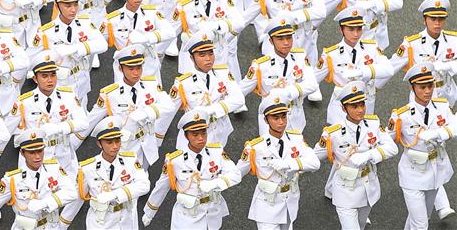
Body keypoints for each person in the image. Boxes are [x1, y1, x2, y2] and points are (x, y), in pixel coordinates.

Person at [315, 83, 398, 230]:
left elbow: (392, 148)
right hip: (345, 191)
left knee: (360, 224)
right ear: (344, 108)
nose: (360, 110)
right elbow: (315, 157)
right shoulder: (333, 133)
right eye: (354, 106)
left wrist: (367, 155)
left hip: (368, 188)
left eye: (362, 105)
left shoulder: (373, 124)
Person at [142, 109, 242, 229]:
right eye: (195, 135)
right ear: (186, 136)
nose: (201, 138)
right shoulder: (175, 161)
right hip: (187, 218)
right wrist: (149, 212)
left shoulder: (217, 152)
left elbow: (236, 174)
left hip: (212, 215)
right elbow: (162, 187)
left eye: (204, 133)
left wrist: (215, 183)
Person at [235, 99, 321, 230]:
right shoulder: (256, 147)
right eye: (275, 118)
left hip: (290, 201)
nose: (281, 122)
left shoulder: (296, 139)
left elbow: (315, 163)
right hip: (267, 204)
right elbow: (237, 173)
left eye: (283, 116)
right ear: (266, 120)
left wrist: (288, 163)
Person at [389, 64, 456, 230]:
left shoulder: (442, 106)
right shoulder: (401, 116)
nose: (428, 91)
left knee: (421, 218)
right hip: (412, 174)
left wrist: (438, 133)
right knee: (420, 224)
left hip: (436, 171)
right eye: (422, 87)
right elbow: (385, 140)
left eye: (430, 86)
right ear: (412, 88)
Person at [86, 47, 174, 171]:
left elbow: (169, 106)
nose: (136, 73)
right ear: (120, 68)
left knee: (143, 176)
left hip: (146, 144)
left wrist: (145, 112)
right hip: (124, 146)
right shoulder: (110, 94)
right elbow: (90, 120)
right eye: (131, 69)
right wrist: (72, 143)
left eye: (139, 68)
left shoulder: (151, 85)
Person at [11, 53, 88, 174]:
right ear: (35, 79)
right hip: (37, 160)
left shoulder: (68, 95)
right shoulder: (24, 102)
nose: (50, 80)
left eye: (53, 75)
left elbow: (83, 123)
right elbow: (13, 133)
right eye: (44, 76)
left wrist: (59, 128)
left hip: (64, 158)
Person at [166, 32, 246, 149]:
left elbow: (239, 99)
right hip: (194, 135)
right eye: (202, 55)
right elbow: (168, 110)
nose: (208, 59)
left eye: (211, 53)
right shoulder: (183, 83)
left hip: (220, 130)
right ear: (192, 58)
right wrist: (157, 137)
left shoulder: (223, 73)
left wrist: (209, 110)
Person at [240, 19, 319, 135]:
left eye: (289, 37)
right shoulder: (261, 66)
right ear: (271, 41)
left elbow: (312, 85)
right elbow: (241, 91)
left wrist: (285, 93)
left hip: (295, 118)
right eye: (280, 39)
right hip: (271, 120)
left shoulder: (300, 57)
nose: (286, 42)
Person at [29, 0, 107, 100]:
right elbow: (30, 58)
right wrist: (49, 60)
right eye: (68, 5)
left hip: (82, 81)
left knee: (82, 108)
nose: (73, 9)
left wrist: (76, 48)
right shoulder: (46, 32)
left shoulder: (85, 23)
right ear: (57, 6)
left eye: (75, 4)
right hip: (60, 84)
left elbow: (102, 45)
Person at [316, 10, 393, 125]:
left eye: (359, 29)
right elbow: (313, 79)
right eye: (351, 29)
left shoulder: (371, 47)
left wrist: (361, 72)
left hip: (364, 104)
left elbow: (389, 70)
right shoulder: (331, 54)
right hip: (341, 106)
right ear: (341, 30)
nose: (356, 34)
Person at [0, 131, 77, 230]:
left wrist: (45, 203)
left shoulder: (55, 169)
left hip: (50, 226)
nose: (37, 156)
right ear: (22, 153)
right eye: (32, 152)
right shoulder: (12, 179)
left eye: (40, 151)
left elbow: (71, 193)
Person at [102, 0, 176, 88]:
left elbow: (170, 32)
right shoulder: (113, 20)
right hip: (125, 68)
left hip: (148, 65)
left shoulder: (152, 13)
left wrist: (146, 38)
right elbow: (100, 43)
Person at [75, 117, 151, 230]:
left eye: (117, 141)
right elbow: (78, 198)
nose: (115, 146)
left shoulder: (130, 160)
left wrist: (114, 195)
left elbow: (144, 185)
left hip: (126, 221)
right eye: (109, 142)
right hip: (100, 223)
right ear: (99, 144)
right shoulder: (87, 168)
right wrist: (64, 222)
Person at [390, 0, 457, 105]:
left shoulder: (453, 40)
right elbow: (390, 67)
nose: (437, 23)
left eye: (441, 19)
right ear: (424, 20)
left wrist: (448, 65)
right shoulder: (412, 44)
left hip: (448, 96)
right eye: (433, 19)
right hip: (421, 98)